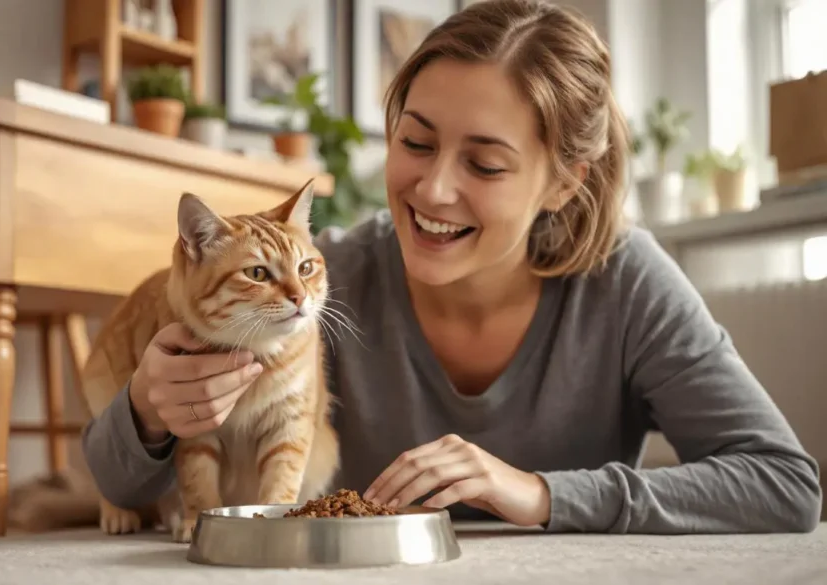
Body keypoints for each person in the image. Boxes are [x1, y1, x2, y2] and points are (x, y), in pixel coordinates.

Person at [81, 0, 822, 533]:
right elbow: (123, 482)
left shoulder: (626, 283)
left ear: (566, 181)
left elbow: (785, 484)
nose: (432, 190)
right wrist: (148, 412)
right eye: (416, 142)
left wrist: (539, 493)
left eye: (486, 163)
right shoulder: (318, 278)